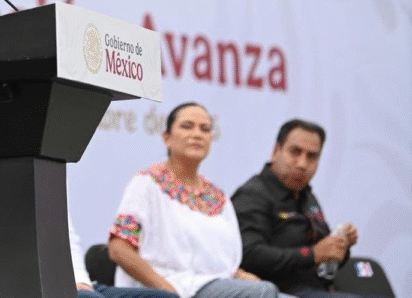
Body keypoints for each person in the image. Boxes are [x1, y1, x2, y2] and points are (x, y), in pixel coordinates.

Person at [107, 102, 282, 298]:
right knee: (263, 292)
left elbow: (223, 264)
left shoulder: (218, 197)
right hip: (169, 288)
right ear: (166, 138)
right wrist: (167, 290)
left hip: (215, 286)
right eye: (187, 126)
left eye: (205, 129)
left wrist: (240, 275)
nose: (197, 134)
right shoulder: (147, 183)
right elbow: (119, 249)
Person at [231, 120, 388, 298]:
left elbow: (323, 256)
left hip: (320, 289)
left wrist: (340, 247)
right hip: (278, 291)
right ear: (275, 151)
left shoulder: (307, 196)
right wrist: (312, 255)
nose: (302, 164)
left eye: (311, 156)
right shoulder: (252, 195)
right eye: (295, 152)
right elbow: (248, 254)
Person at [69, 214, 178, 298]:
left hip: (83, 284)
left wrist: (82, 282)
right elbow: (117, 249)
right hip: (66, 286)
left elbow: (70, 243)